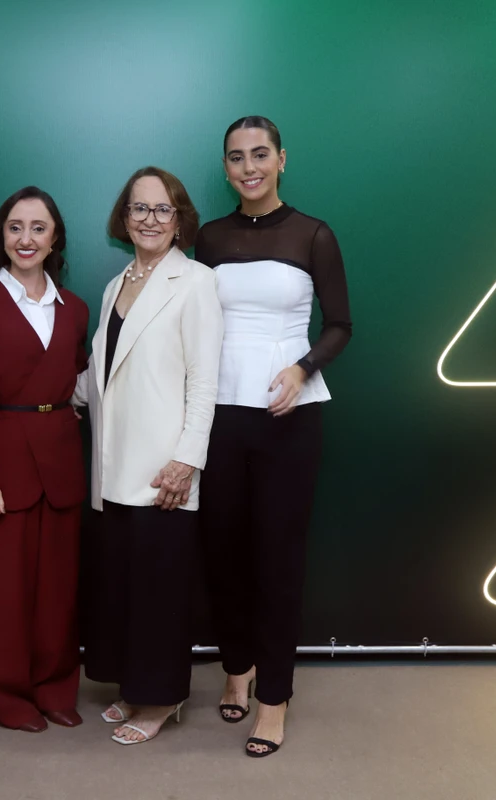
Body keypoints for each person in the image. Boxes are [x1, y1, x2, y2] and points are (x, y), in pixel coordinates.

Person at [194, 116, 352, 757]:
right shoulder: (209, 237)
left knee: (278, 561)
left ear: (282, 159)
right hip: (219, 415)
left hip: (290, 418)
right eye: (236, 158)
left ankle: (275, 699)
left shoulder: (314, 233)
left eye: (261, 155)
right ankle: (237, 667)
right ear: (226, 167)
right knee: (223, 553)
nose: (249, 167)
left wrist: (302, 366)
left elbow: (340, 325)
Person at [75, 166, 224, 746]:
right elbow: (100, 373)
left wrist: (188, 460)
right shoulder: (116, 285)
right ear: (124, 218)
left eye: (163, 210)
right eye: (139, 209)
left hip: (164, 467)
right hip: (112, 465)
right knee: (123, 587)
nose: (150, 219)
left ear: (181, 218)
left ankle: (162, 700)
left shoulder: (197, 282)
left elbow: (203, 382)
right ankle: (133, 688)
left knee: (161, 591)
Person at [0, 187, 90, 733]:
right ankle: (5, 695)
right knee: (2, 590)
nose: (25, 238)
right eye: (15, 227)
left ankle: (54, 688)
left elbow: (76, 377)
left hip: (59, 460)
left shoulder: (73, 309)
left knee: (58, 591)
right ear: (0, 237)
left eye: (38, 227)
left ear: (55, 238)